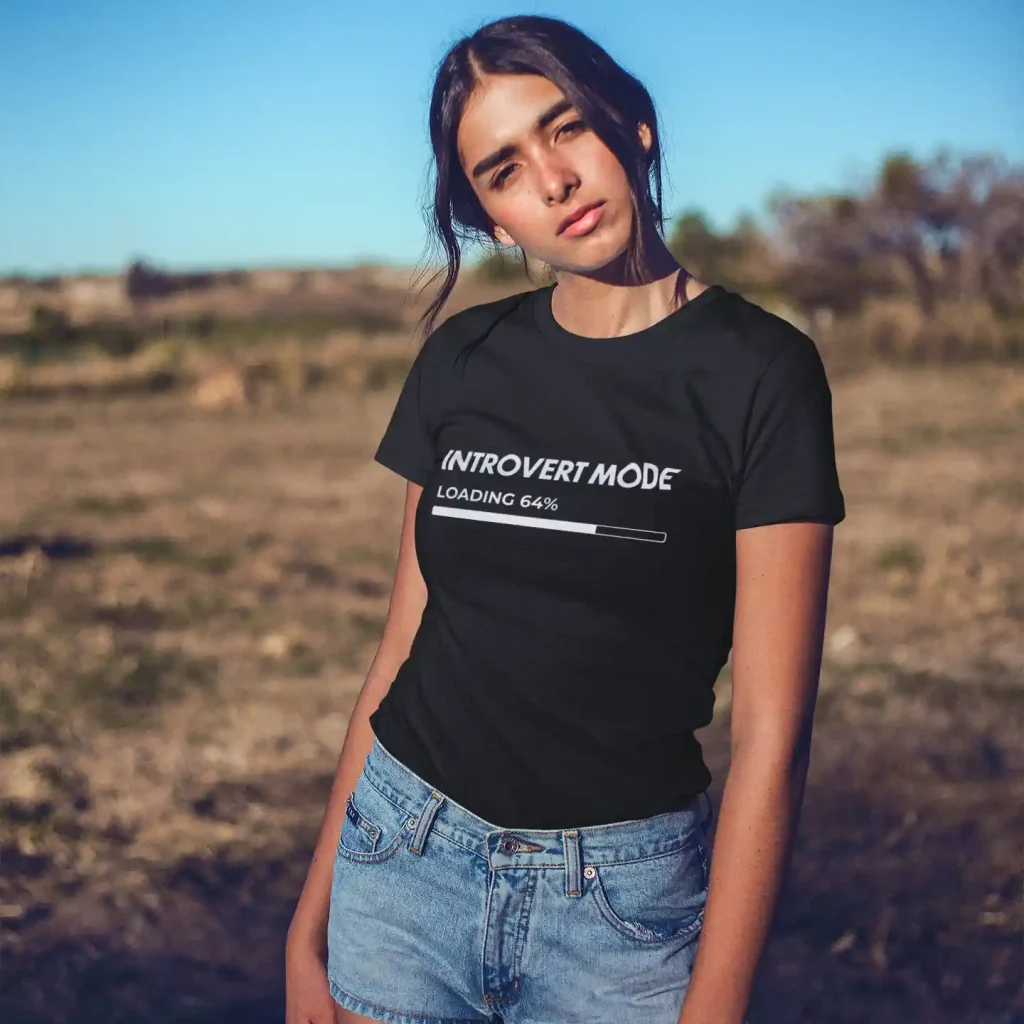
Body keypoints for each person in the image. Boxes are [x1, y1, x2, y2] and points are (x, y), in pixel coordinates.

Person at [286, 14, 845, 1024]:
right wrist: (309, 918)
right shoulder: (461, 360)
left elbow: (771, 732)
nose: (552, 181)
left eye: (567, 128)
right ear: (493, 219)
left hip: (620, 911)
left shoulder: (761, 372)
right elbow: (402, 640)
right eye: (503, 170)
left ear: (631, 125)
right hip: (403, 862)